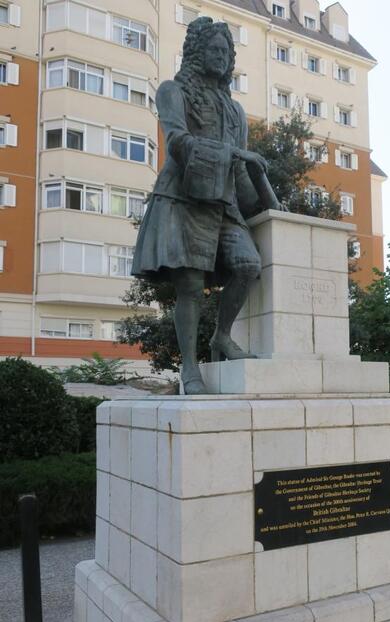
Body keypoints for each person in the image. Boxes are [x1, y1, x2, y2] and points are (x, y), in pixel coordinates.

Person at [131, 16, 281, 394]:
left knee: (248, 263)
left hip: (224, 205)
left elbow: (242, 182)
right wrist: (235, 153)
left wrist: (268, 201)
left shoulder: (236, 111)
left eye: (226, 51)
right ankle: (190, 370)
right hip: (184, 197)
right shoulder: (172, 91)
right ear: (197, 53)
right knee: (192, 287)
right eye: (214, 49)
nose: (221, 56)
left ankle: (222, 337)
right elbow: (178, 143)